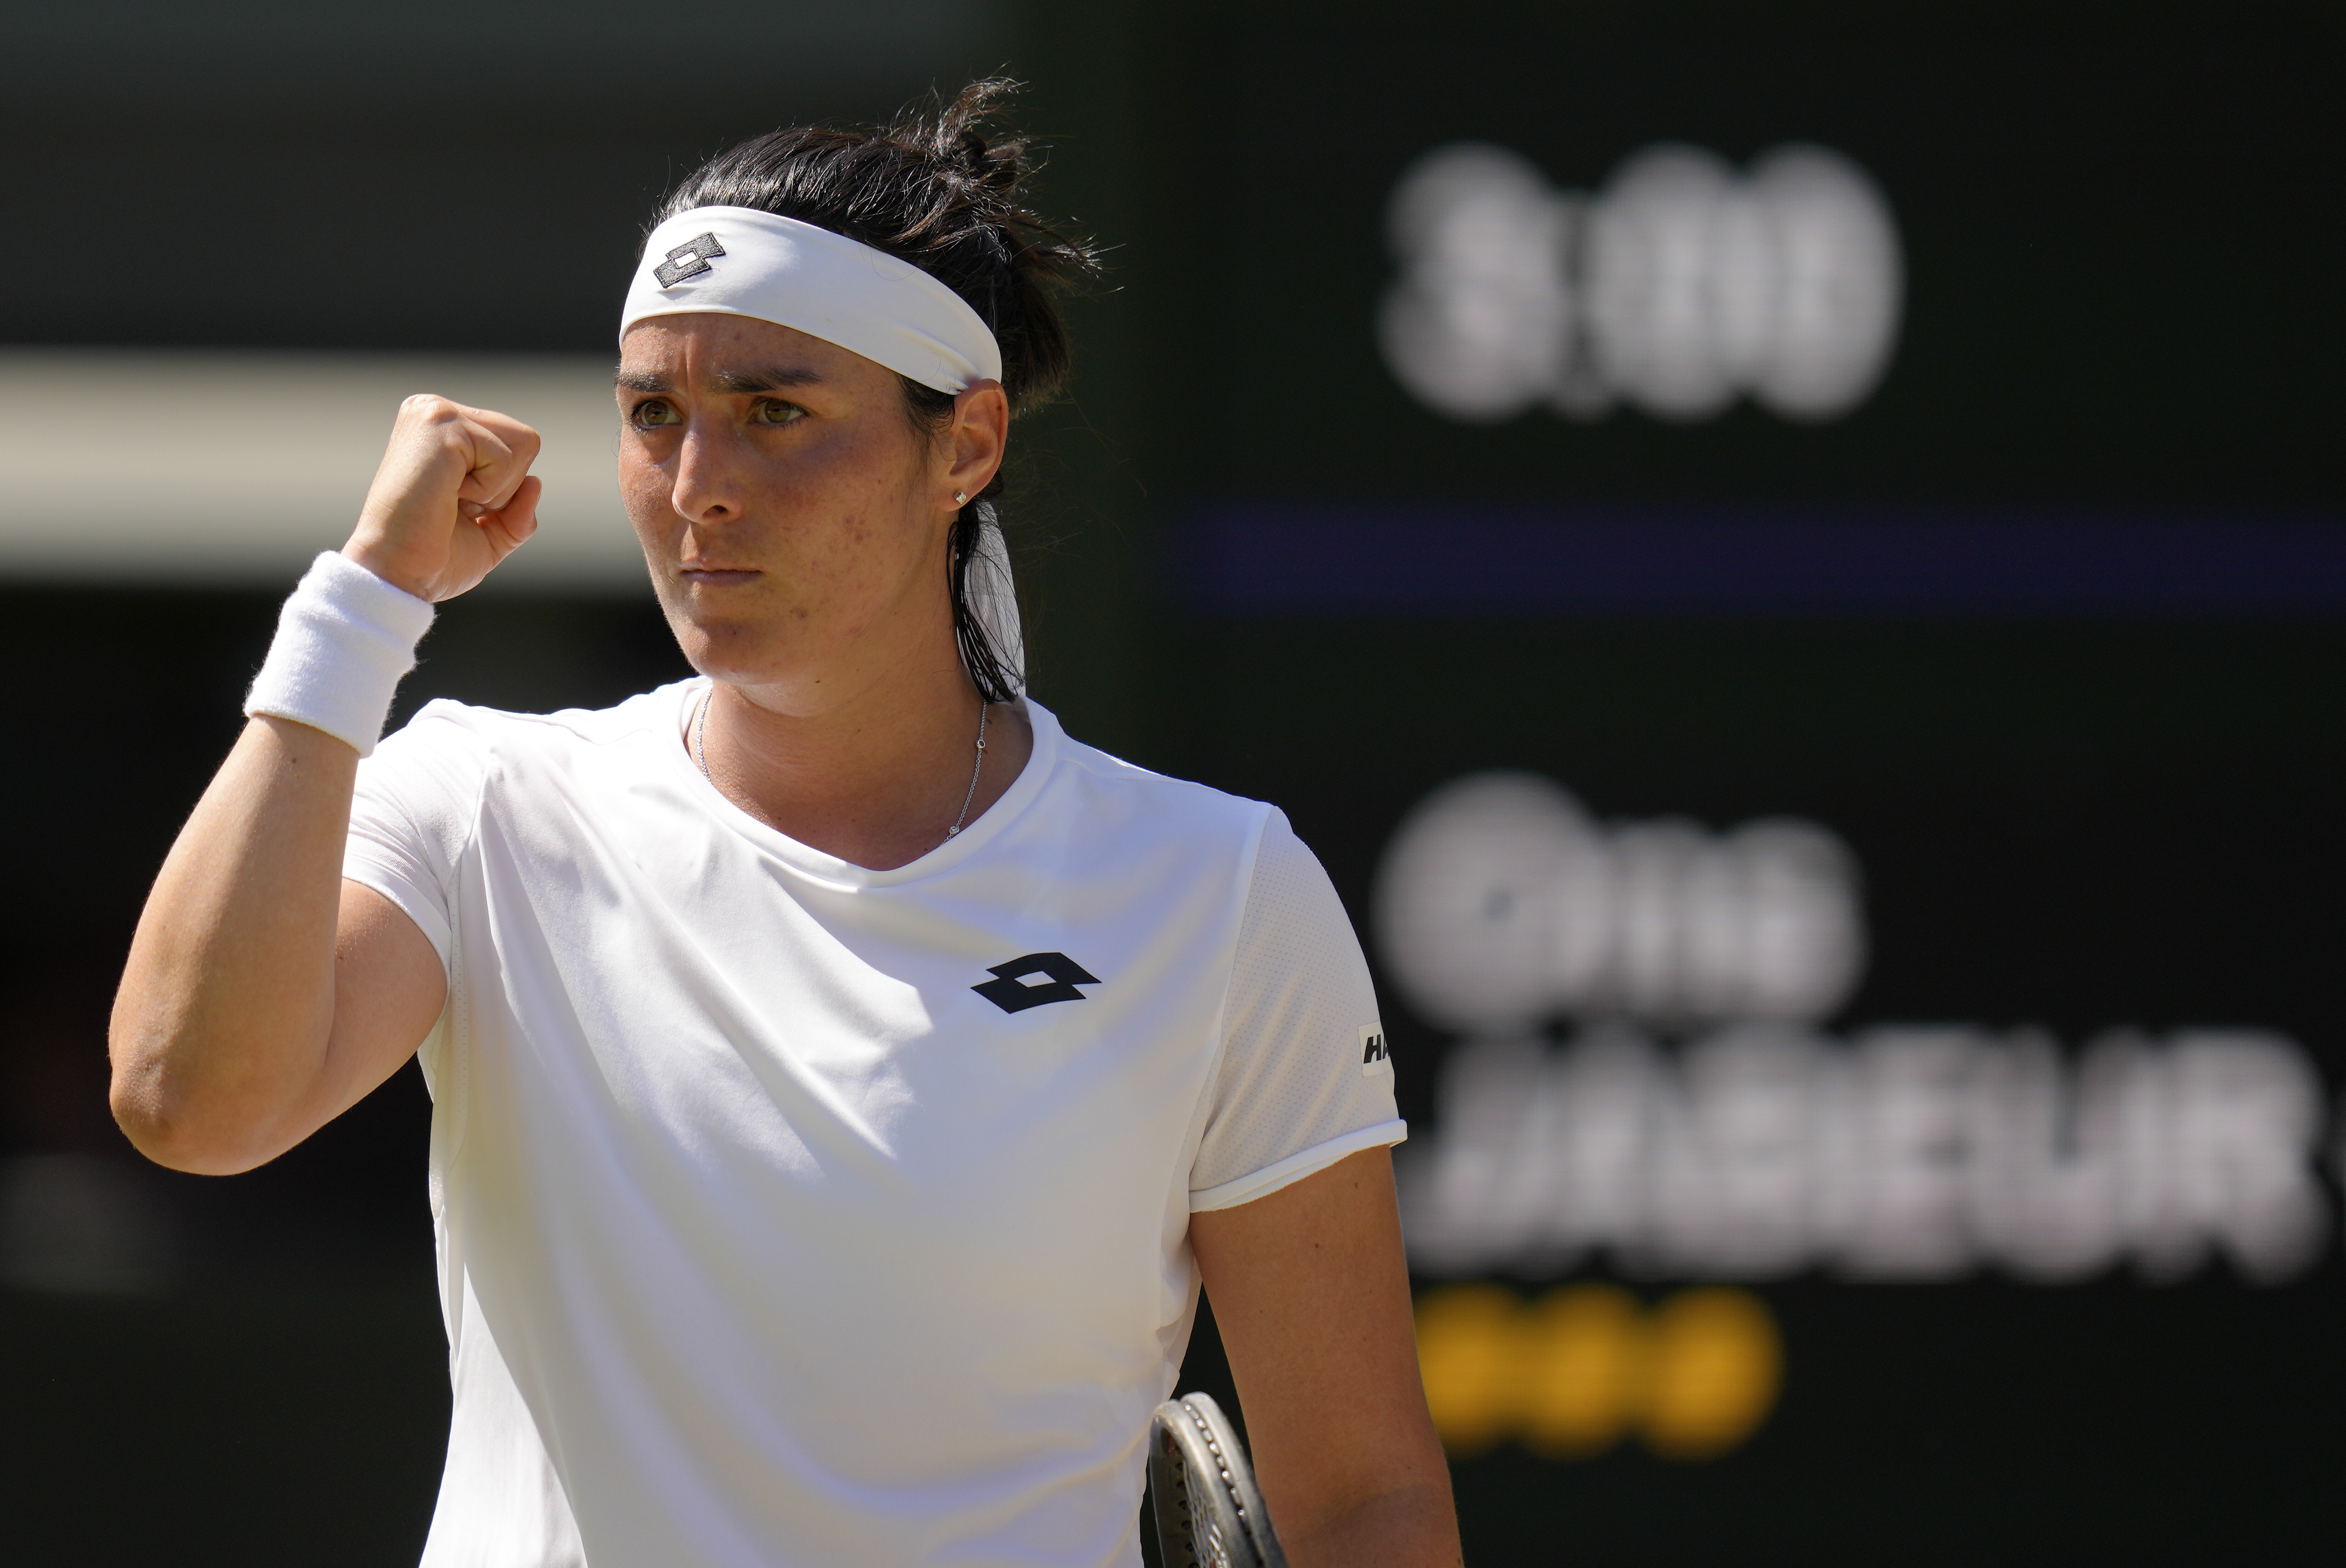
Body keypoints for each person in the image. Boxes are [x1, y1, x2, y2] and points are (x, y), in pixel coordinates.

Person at [108, 82, 1459, 1568]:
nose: (699, 489)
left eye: (776, 415)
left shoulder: (1221, 893)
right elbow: (189, 1099)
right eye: (654, 416)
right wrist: (361, 606)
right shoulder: (483, 806)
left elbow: (1364, 1499)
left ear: (966, 445)